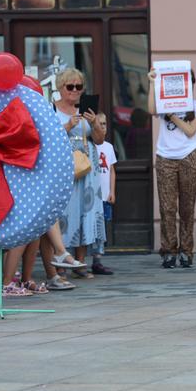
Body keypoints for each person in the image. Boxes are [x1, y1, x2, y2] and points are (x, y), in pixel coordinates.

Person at [147, 68, 196, 269]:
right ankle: (169, 251)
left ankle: (186, 251)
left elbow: (190, 131)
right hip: (165, 157)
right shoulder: (164, 101)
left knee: (187, 206)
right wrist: (153, 83)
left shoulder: (195, 105)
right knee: (167, 207)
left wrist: (171, 115)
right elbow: (152, 109)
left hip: (189, 156)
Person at [54, 68, 106, 279]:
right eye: (70, 86)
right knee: (64, 213)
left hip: (87, 167)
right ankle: (60, 262)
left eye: (79, 86)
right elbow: (47, 138)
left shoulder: (86, 109)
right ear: (60, 88)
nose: (75, 91)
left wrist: (94, 123)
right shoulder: (52, 109)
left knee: (86, 212)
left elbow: (100, 140)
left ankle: (81, 263)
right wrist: (67, 125)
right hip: (64, 166)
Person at [90, 112, 116, 275]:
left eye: (104, 124)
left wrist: (112, 191)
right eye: (99, 124)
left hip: (105, 196)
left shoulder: (108, 147)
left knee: (102, 229)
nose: (102, 127)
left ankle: (97, 259)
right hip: (92, 196)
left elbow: (112, 170)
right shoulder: (90, 146)